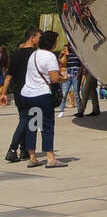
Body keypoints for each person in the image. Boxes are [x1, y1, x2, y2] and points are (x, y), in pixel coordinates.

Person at [21, 30, 67, 168]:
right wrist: (64, 78)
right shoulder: (50, 56)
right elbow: (53, 78)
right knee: (47, 126)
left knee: (32, 125)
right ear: (52, 43)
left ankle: (32, 157)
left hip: (28, 94)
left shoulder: (33, 55)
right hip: (41, 94)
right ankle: (50, 157)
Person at [2, 27, 41, 162]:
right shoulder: (35, 54)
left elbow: (9, 76)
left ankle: (24, 150)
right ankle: (12, 149)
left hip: (18, 91)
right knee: (27, 120)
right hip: (30, 91)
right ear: (32, 38)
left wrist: (4, 93)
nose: (39, 40)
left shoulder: (17, 54)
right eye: (38, 37)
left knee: (24, 119)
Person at [59, 41, 82, 118]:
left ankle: (80, 110)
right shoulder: (66, 54)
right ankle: (61, 110)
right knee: (64, 93)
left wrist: (79, 73)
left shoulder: (78, 53)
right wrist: (62, 54)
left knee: (76, 93)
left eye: (73, 45)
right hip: (68, 74)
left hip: (76, 74)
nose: (71, 47)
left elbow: (82, 64)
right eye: (70, 46)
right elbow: (61, 63)